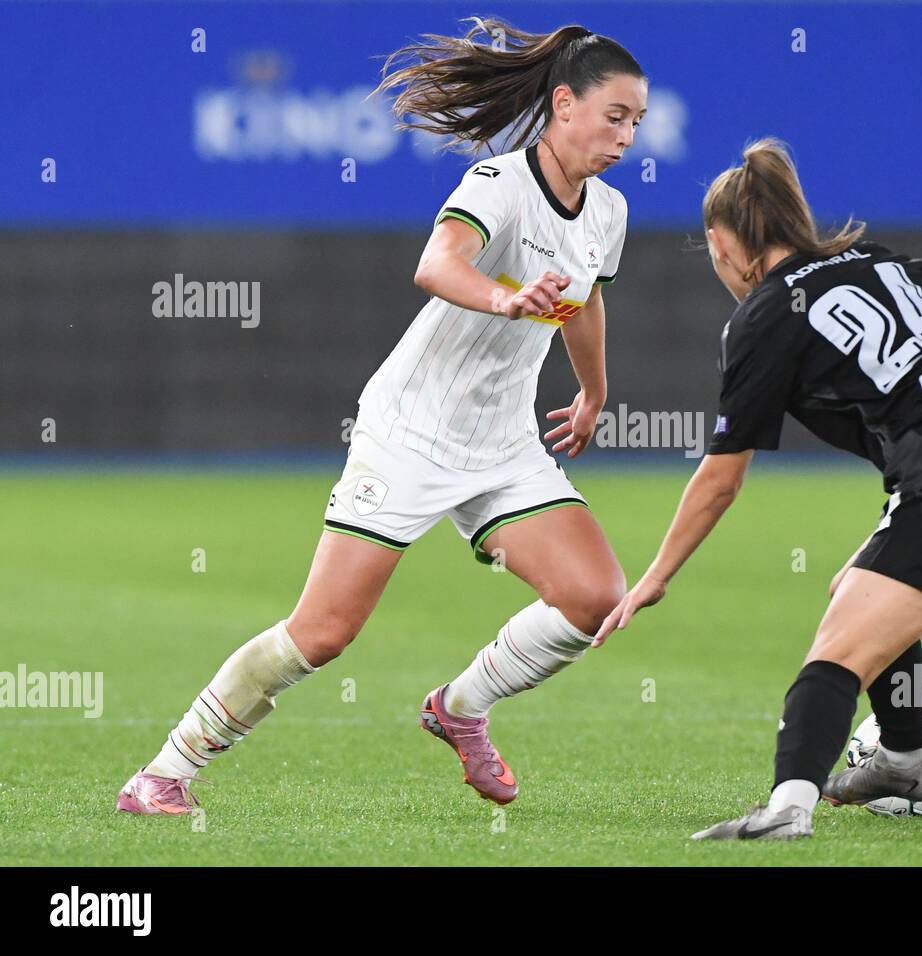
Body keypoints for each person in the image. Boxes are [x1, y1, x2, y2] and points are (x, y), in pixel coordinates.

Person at [116, 18, 648, 814]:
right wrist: (504, 296)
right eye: (616, 115)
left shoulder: (607, 211)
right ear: (564, 105)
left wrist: (595, 391)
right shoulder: (499, 186)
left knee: (595, 598)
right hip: (410, 432)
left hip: (501, 444)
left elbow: (585, 303)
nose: (628, 135)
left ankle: (460, 708)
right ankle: (164, 772)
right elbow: (435, 265)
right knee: (323, 634)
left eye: (638, 120)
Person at [595, 138, 922, 840]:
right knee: (856, 584)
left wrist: (655, 577)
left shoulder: (761, 319)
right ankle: (905, 759)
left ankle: (788, 809)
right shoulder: (876, 260)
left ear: (722, 241)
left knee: (837, 653)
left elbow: (721, 477)